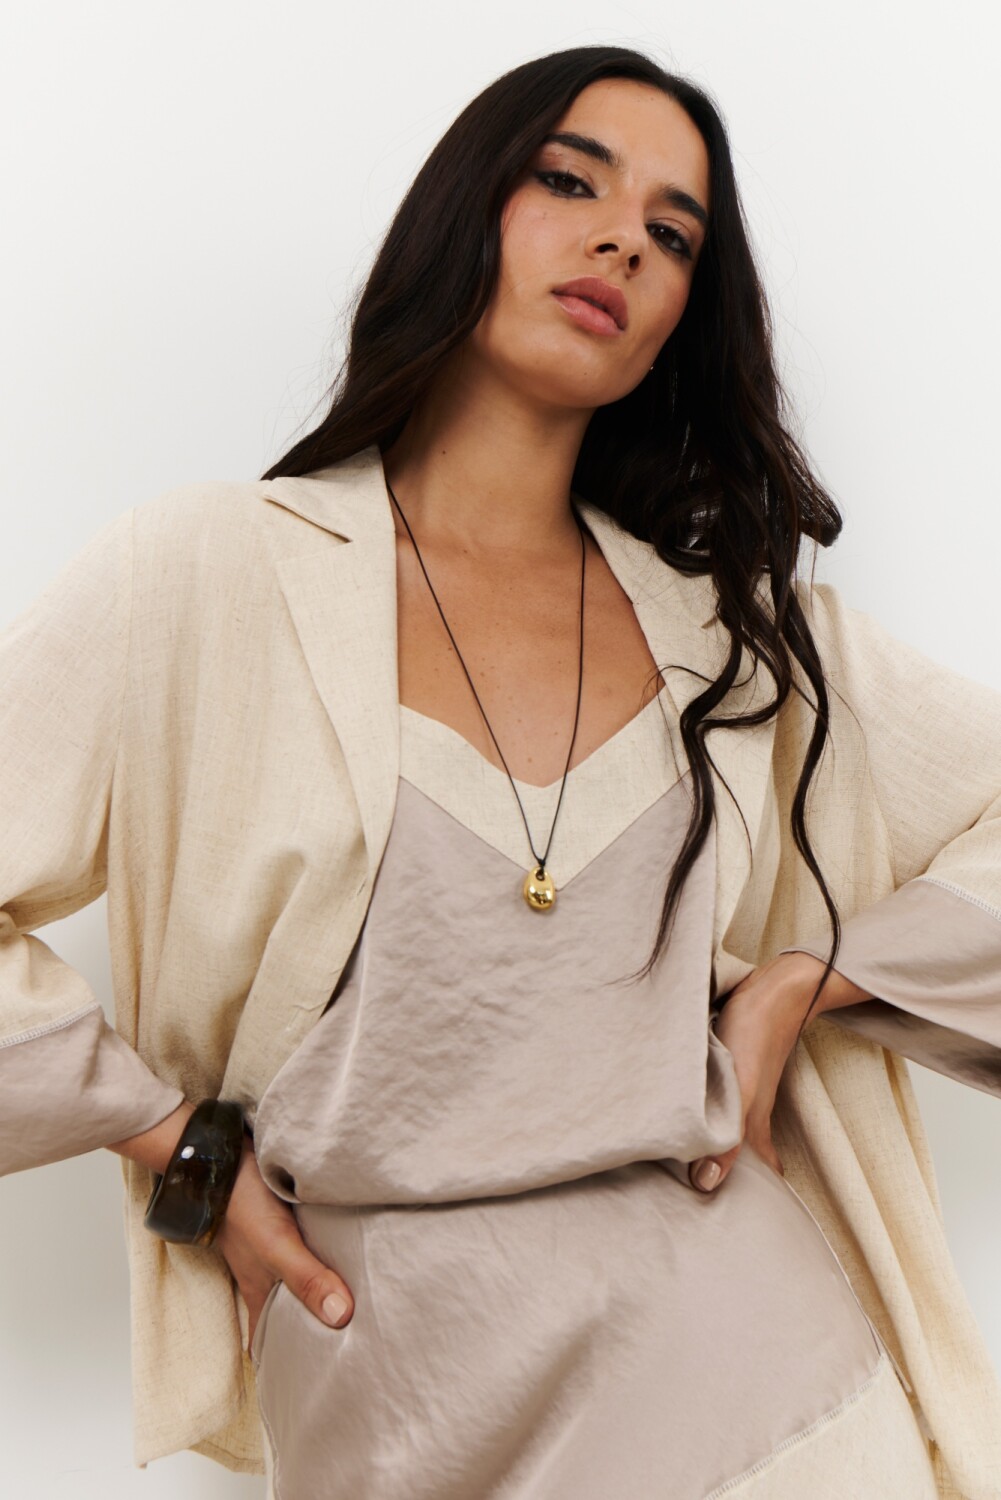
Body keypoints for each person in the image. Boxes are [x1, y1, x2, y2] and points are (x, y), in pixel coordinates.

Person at [2, 41, 1001, 1499]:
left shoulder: (736, 640)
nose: (622, 242)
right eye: (571, 183)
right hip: (394, 1397)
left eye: (672, 235)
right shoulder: (208, 576)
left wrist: (810, 978)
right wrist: (173, 1147)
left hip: (764, 1392)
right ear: (465, 211)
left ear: (679, 321)